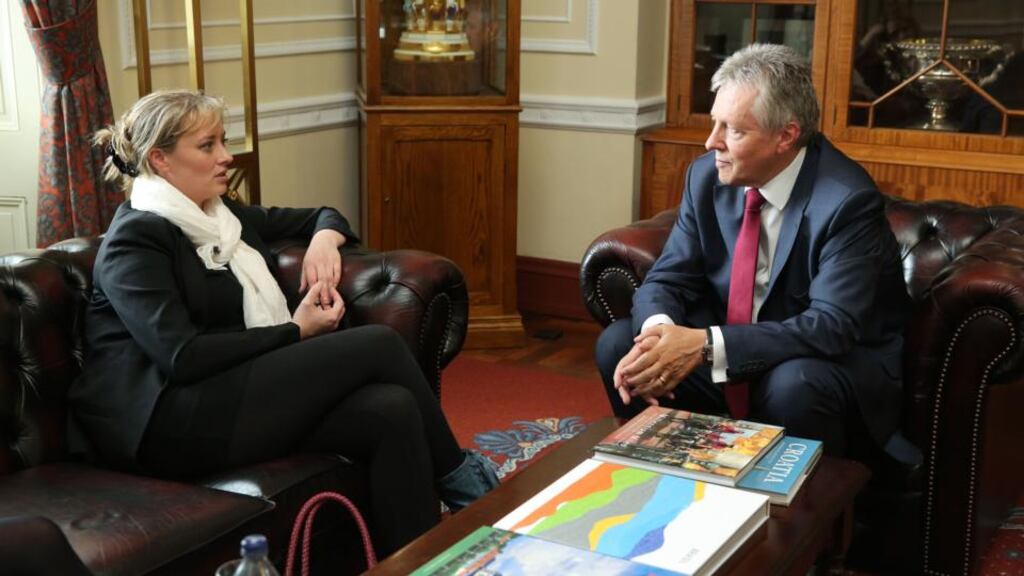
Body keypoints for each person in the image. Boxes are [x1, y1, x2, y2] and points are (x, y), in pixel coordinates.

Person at [69, 88, 498, 556]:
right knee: (377, 344)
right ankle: (472, 492)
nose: (226, 157)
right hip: (166, 423)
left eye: (223, 141)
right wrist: (296, 331)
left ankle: (422, 562)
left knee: (389, 409)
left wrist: (324, 242)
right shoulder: (134, 241)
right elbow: (182, 355)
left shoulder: (220, 216)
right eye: (207, 145)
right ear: (161, 160)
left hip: (225, 393)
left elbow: (321, 215)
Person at [595, 44, 913, 460]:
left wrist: (705, 346)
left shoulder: (846, 201)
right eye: (714, 124)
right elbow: (669, 277)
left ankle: (796, 519)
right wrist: (661, 336)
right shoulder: (706, 177)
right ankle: (665, 484)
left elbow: (830, 327)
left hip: (820, 364)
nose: (712, 143)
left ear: (786, 136)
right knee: (622, 346)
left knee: (793, 384)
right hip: (736, 354)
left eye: (734, 130)